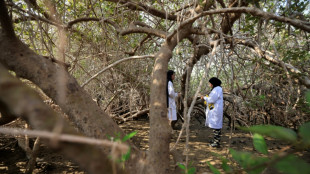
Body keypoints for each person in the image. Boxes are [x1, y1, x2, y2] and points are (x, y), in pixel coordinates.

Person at [201, 77, 223, 148]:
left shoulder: (217, 89)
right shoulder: (217, 89)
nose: (209, 84)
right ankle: (215, 140)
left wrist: (204, 97)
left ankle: (216, 143)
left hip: (216, 111)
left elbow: (212, 100)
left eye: (210, 83)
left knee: (216, 127)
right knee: (216, 126)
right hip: (215, 110)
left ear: (213, 83)